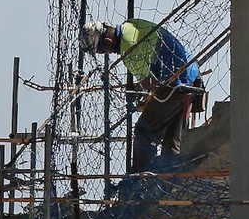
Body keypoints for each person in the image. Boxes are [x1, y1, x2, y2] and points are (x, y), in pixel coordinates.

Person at [80, 19, 201, 173]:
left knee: (144, 132)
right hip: (191, 75)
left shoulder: (128, 50)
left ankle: (141, 182)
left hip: (176, 85)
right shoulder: (130, 24)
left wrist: (143, 100)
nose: (106, 53)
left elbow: (150, 84)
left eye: (102, 50)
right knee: (172, 140)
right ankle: (170, 182)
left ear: (108, 40)